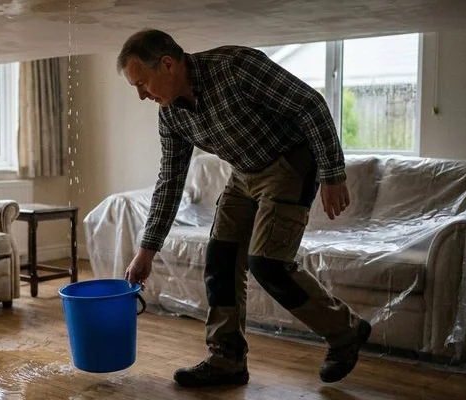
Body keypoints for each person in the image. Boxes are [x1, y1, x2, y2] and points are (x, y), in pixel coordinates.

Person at [117, 29, 372, 388]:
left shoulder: (235, 67)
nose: (142, 95)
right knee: (220, 259)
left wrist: (332, 174)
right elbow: (170, 179)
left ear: (168, 64)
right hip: (243, 173)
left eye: (141, 83)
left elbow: (309, 105)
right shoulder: (171, 114)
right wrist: (147, 251)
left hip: (290, 163)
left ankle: (346, 331)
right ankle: (227, 358)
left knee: (268, 264)